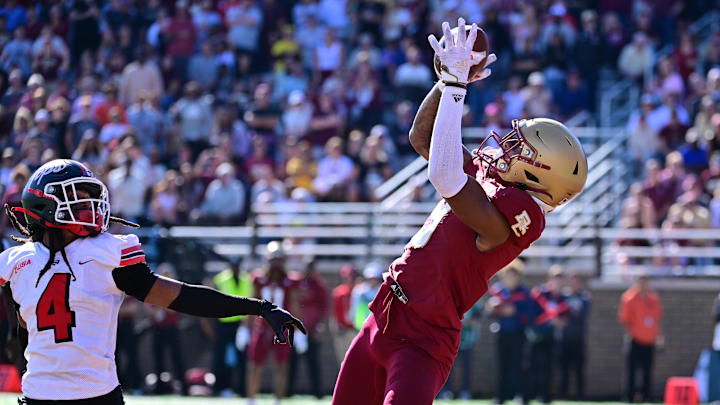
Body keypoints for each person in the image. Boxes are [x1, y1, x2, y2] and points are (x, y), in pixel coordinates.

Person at [332, 19, 587, 405]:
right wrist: (446, 81)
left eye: (521, 148)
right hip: (383, 317)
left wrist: (457, 86)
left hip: (422, 341)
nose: (506, 147)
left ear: (540, 169)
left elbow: (444, 173)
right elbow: (422, 138)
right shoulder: (493, 180)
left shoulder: (523, 215)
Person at [0, 159, 305, 404]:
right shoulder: (108, 252)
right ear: (44, 206)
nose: (89, 206)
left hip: (44, 396)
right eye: (77, 197)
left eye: (90, 197)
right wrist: (259, 307)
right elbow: (184, 298)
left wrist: (259, 307)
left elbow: (22, 334)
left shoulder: (14, 263)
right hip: (90, 397)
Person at [247, 241, 298, 405]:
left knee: (281, 367)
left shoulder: (291, 281)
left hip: (282, 330)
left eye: (279, 260)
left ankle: (278, 401)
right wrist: (245, 328)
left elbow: (295, 306)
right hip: (262, 329)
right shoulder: (259, 279)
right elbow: (250, 304)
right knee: (254, 366)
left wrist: (296, 329)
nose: (276, 264)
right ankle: (251, 400)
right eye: (273, 260)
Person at [486, 259, 533, 404]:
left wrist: (515, 311)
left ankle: (522, 397)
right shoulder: (498, 290)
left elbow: (530, 314)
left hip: (518, 333)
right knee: (502, 366)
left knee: (519, 366)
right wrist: (492, 309)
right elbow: (488, 313)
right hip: (502, 333)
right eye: (508, 275)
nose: (510, 278)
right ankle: (500, 397)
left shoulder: (524, 293)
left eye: (513, 275)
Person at [525, 266, 569, 404]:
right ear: (549, 279)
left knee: (549, 368)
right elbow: (530, 314)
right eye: (555, 278)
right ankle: (526, 397)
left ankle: (545, 397)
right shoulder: (540, 294)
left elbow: (565, 319)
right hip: (535, 336)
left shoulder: (562, 298)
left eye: (560, 279)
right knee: (531, 367)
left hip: (551, 337)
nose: (558, 282)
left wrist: (559, 322)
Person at [618, 273, 664, 403]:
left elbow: (655, 320)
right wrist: (631, 334)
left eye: (645, 281)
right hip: (635, 339)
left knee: (648, 371)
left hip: (649, 340)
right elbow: (624, 319)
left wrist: (659, 336)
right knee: (631, 371)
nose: (643, 284)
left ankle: (647, 396)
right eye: (641, 281)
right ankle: (629, 397)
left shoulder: (653, 298)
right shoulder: (629, 298)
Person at [211, 257, 252, 397]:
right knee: (220, 357)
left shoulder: (247, 279)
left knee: (242, 358)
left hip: (240, 324)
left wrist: (246, 326)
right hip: (223, 323)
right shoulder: (220, 279)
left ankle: (243, 389)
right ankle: (220, 387)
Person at [288, 259, 328, 399]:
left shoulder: (318, 285)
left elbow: (324, 308)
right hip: (296, 330)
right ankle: (288, 391)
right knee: (292, 362)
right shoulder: (296, 282)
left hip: (311, 330)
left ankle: (317, 392)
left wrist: (319, 326)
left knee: (313, 362)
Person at [560, 273, 591, 400]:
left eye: (577, 282)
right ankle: (563, 395)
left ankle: (580, 396)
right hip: (564, 338)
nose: (574, 285)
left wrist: (569, 313)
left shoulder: (585, 297)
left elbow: (581, 315)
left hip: (578, 338)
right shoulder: (563, 296)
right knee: (564, 369)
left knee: (579, 369)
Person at [330, 263, 358, 364]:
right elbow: (335, 313)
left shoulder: (360, 290)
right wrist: (335, 328)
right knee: (343, 361)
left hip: (356, 330)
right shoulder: (338, 292)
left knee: (356, 361)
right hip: (343, 331)